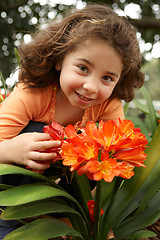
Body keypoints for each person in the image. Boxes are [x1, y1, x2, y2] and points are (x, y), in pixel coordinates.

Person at [0, 4, 144, 239]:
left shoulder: (109, 105)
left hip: (61, 201)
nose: (91, 86)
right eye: (83, 68)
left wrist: (96, 220)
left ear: (119, 81)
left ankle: (63, 222)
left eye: (107, 77)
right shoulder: (32, 94)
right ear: (59, 60)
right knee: (39, 133)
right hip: (12, 193)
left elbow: (112, 166)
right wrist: (10, 149)